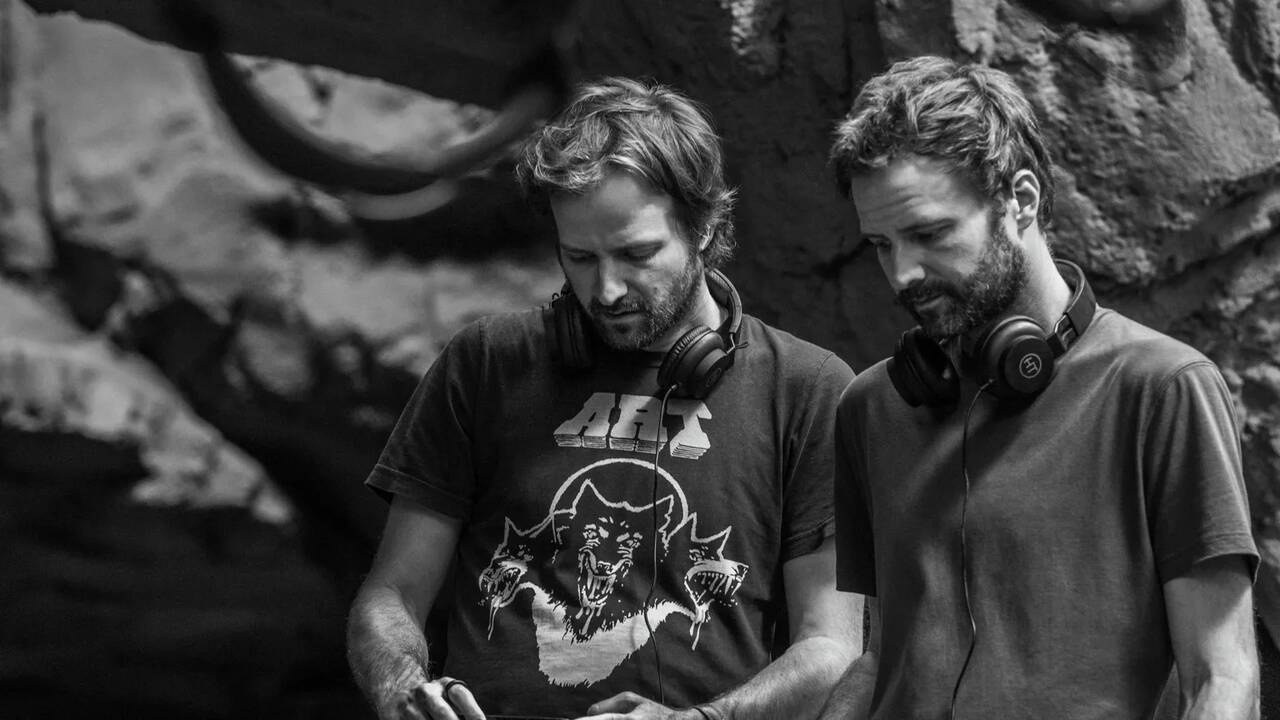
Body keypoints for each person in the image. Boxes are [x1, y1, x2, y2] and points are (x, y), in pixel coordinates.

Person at [347, 76, 862, 720]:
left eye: (636, 253)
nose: (608, 290)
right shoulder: (485, 363)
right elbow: (391, 594)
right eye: (581, 258)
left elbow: (832, 647)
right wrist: (402, 688)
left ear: (705, 228)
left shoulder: (808, 389)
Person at [821, 56, 1260, 719]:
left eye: (929, 233)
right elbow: (884, 657)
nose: (903, 273)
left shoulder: (1163, 389)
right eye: (881, 244)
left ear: (1020, 200)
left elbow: (1221, 681)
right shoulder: (873, 406)